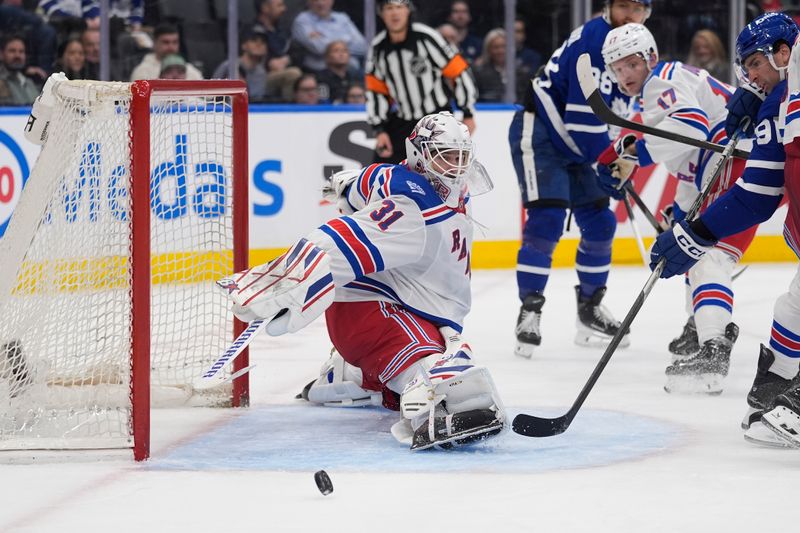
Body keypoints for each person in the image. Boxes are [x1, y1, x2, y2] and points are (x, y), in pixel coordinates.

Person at [216, 112, 503, 451]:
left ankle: (351, 374)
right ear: (420, 156)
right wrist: (290, 277)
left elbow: (366, 182)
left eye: (461, 157)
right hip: (372, 310)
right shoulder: (415, 209)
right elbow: (342, 242)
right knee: (447, 374)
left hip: (406, 302)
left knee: (444, 345)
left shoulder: (414, 182)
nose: (455, 167)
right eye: (446, 156)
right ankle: (425, 394)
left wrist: (347, 188)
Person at [649, 12, 800, 446]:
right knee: (791, 309)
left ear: (784, 52)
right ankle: (777, 387)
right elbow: (757, 192)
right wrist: (696, 233)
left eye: (754, 64)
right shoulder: (779, 103)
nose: (750, 77)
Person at [596, 23, 757, 394]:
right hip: (734, 159)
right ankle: (702, 327)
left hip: (735, 155)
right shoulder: (663, 92)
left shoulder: (662, 78)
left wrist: (633, 156)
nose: (625, 76)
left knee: (705, 255)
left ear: (650, 58)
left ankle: (714, 345)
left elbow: (692, 127)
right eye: (617, 70)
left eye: (631, 65)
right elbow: (687, 152)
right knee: (691, 242)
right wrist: (679, 215)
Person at [507, 0, 651, 358]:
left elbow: (615, 118)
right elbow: (583, 121)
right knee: (548, 219)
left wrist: (617, 158)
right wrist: (607, 162)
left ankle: (589, 309)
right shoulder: (595, 42)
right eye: (622, 6)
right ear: (609, 6)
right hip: (541, 132)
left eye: (637, 8)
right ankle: (530, 310)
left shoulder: (635, 42)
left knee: (601, 223)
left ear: (647, 12)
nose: (628, 15)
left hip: (579, 143)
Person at [366, 0, 477, 163]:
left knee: (444, 169)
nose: (394, 13)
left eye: (399, 7)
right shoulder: (378, 47)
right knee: (382, 170)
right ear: (382, 14)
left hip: (437, 118)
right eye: (389, 8)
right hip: (403, 121)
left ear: (408, 11)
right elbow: (376, 91)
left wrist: (467, 113)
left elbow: (459, 72)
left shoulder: (426, 37)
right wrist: (380, 130)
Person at [291, 0, 368, 73]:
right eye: (315, 0)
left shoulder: (342, 18)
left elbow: (363, 47)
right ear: (308, 2)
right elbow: (318, 48)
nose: (320, 3)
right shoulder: (302, 20)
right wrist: (346, 41)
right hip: (320, 72)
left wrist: (326, 40)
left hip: (352, 70)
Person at [129, 24, 203, 81]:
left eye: (175, 42)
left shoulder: (190, 69)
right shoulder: (142, 72)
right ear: (154, 43)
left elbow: (207, 97)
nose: (171, 47)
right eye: (166, 42)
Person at [473, 28, 528, 103]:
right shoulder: (479, 72)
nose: (501, 51)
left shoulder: (520, 72)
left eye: (504, 46)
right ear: (488, 50)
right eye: (496, 47)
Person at [0, 35, 43, 106]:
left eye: (21, 51)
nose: (17, 55)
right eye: (12, 51)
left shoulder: (30, 81)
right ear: (1, 54)